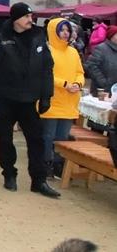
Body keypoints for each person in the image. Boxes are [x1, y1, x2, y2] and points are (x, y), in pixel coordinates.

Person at [0, 2, 61, 198]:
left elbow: (47, 69)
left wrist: (46, 96)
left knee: (37, 140)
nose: (30, 20)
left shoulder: (38, 37)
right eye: (26, 16)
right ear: (16, 18)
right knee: (5, 139)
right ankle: (9, 173)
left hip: (28, 101)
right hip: (5, 99)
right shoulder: (0, 40)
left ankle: (39, 180)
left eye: (31, 16)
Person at [41, 18, 84, 178]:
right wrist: (64, 84)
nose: (65, 33)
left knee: (62, 137)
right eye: (62, 30)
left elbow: (80, 72)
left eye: (68, 30)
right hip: (52, 100)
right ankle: (46, 164)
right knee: (48, 136)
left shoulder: (73, 52)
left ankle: (58, 164)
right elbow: (44, 74)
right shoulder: (47, 50)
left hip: (69, 101)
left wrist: (78, 84)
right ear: (54, 31)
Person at [85, 25, 117, 97]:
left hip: (115, 90)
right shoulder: (101, 48)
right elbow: (90, 65)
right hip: (102, 91)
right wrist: (103, 82)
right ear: (111, 36)